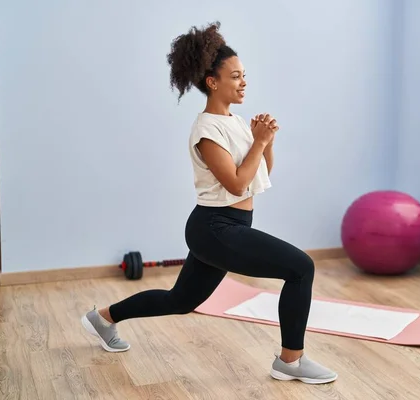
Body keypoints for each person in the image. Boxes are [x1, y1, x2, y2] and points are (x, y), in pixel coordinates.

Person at [80, 21, 338, 385]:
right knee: (301, 268)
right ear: (212, 82)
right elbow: (235, 185)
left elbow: (260, 174)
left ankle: (102, 318)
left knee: (181, 300)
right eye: (235, 76)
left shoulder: (235, 123)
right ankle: (290, 362)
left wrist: (267, 142)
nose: (243, 82)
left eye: (245, 75)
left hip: (228, 227)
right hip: (215, 227)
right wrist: (259, 142)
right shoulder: (206, 130)